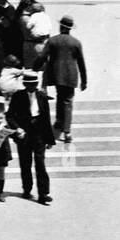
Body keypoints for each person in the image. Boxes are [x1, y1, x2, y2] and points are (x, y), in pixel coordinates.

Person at [35, 15, 87, 144]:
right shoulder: (76, 42)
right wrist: (84, 80)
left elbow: (42, 56)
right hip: (71, 76)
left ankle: (59, 122)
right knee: (68, 102)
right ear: (70, 28)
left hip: (57, 75)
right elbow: (81, 62)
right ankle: (67, 131)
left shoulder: (53, 41)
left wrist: (35, 67)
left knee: (60, 97)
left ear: (60, 26)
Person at [7, 71, 55, 204]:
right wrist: (17, 128)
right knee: (25, 163)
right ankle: (27, 189)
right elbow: (9, 115)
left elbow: (46, 118)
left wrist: (50, 139)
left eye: (34, 84)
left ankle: (43, 193)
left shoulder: (42, 96)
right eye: (29, 85)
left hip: (39, 133)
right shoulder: (18, 96)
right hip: (24, 134)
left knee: (40, 163)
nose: (32, 87)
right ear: (24, 84)